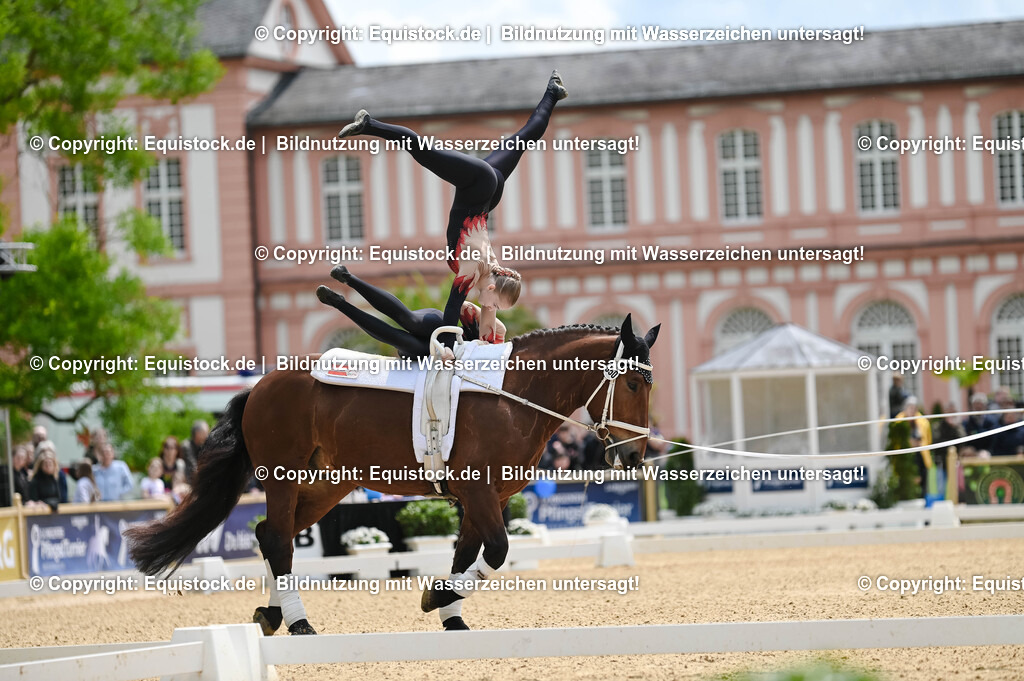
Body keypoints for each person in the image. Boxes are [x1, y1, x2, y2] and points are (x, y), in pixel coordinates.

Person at [336, 70, 567, 344]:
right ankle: (369, 124)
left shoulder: (492, 272)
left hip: (487, 197)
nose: (491, 309)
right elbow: (449, 316)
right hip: (478, 184)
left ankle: (552, 93)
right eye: (495, 304)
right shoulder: (473, 269)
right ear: (491, 289)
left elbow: (487, 322)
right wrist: (447, 348)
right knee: (424, 151)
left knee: (523, 138)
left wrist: (490, 342)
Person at [316, 266, 494, 359]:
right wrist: (449, 346)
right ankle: (347, 277)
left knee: (399, 339)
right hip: (443, 329)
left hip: (430, 354)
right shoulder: (496, 328)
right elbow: (460, 307)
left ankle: (338, 303)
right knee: (410, 321)